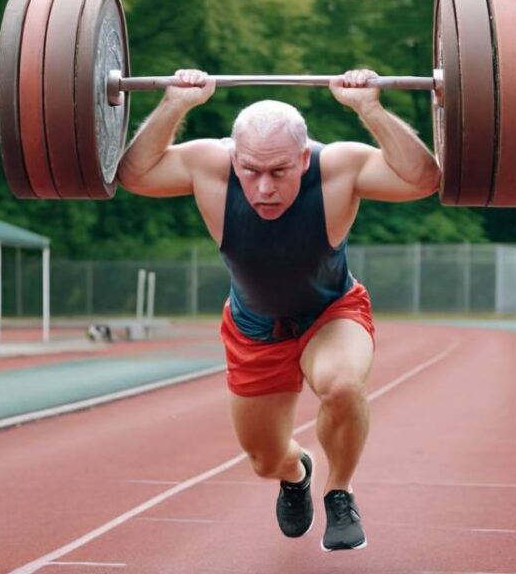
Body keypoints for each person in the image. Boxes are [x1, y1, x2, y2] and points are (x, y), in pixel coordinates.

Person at [117, 69, 441, 551]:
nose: (263, 186)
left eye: (279, 171)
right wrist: (174, 105)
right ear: (234, 156)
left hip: (330, 314)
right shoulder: (210, 165)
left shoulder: (338, 167)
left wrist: (370, 109)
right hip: (254, 330)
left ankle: (340, 490)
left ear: (303, 156)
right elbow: (134, 174)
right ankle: (298, 473)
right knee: (266, 460)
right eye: (250, 170)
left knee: (342, 383)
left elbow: (423, 179)